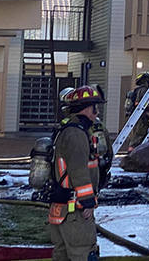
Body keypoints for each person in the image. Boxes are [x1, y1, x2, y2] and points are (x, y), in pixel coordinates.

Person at [48, 85, 104, 261]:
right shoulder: (76, 134)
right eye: (95, 107)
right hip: (75, 212)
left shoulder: (68, 129)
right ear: (87, 108)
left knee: (62, 255)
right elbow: (78, 170)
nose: (97, 111)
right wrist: (87, 202)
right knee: (84, 253)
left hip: (62, 210)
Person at [124, 72, 149, 150]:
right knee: (139, 134)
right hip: (141, 117)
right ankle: (132, 151)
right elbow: (139, 103)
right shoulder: (144, 90)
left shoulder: (138, 90)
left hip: (137, 116)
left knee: (136, 134)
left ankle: (132, 150)